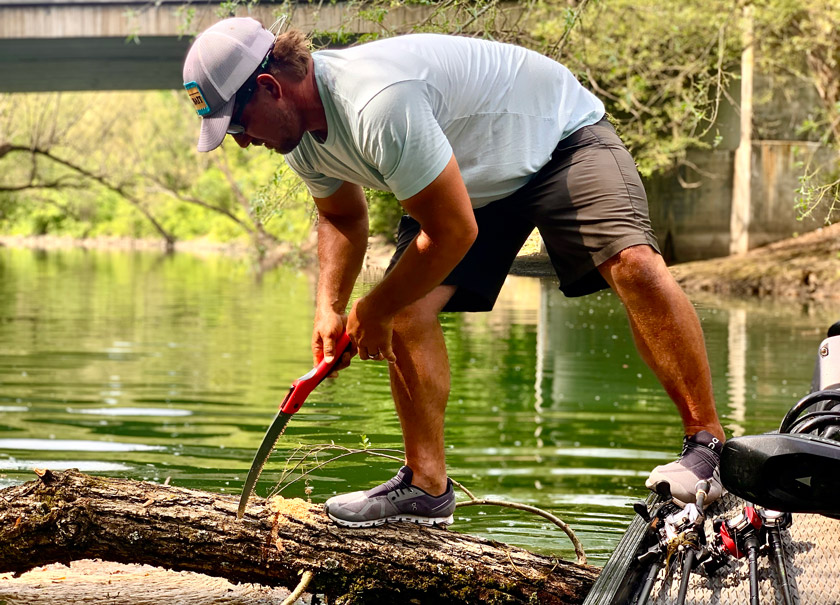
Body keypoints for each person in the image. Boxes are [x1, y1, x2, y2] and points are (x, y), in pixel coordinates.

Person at [182, 17, 727, 526]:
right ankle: (426, 487)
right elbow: (342, 215)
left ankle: (708, 447)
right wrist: (329, 305)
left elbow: (453, 232)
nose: (244, 141)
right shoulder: (298, 139)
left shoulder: (376, 103)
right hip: (463, 176)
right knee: (408, 315)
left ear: (272, 88)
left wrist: (374, 306)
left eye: (238, 124)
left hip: (556, 138)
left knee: (632, 263)